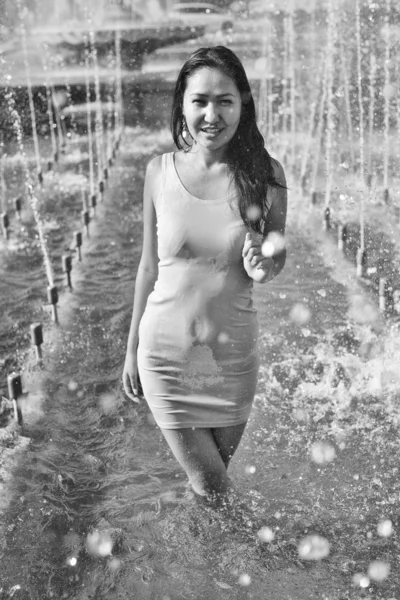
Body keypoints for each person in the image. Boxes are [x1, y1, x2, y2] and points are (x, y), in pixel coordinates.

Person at [123, 45, 287, 502]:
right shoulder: (159, 172)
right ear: (182, 105)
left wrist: (264, 262)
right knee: (212, 487)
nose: (211, 114)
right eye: (199, 101)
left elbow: (277, 255)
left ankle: (195, 560)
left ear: (242, 104)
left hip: (232, 360)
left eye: (224, 100)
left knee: (209, 488)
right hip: (166, 357)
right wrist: (132, 347)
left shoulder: (267, 176)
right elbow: (148, 266)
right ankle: (242, 563)